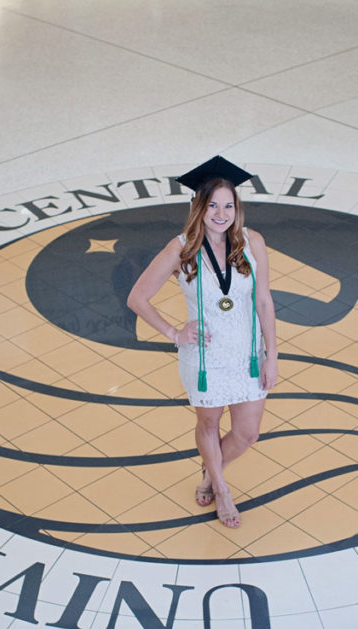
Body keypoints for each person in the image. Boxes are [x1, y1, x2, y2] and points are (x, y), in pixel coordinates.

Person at [127, 157, 278, 529]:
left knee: (247, 433)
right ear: (199, 207)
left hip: (247, 355)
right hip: (205, 359)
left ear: (236, 208)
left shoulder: (252, 242)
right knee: (209, 424)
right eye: (212, 205)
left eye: (228, 205)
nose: (221, 213)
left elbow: (264, 301)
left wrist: (272, 355)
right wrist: (174, 333)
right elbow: (138, 298)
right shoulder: (181, 249)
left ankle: (212, 472)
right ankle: (222, 491)